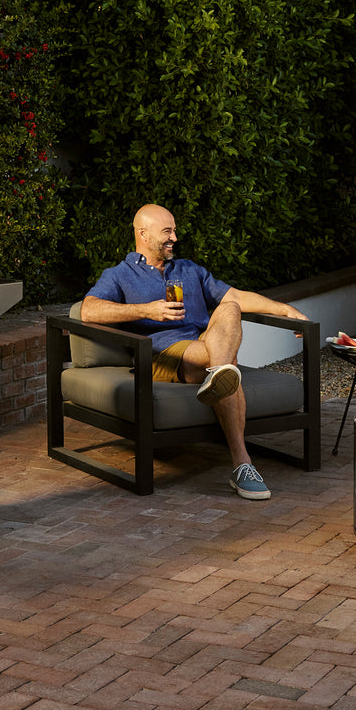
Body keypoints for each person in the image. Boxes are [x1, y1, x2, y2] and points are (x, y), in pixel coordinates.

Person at [80, 203, 309, 500]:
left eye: (174, 230)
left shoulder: (189, 269)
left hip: (202, 348)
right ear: (143, 234)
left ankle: (219, 376)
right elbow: (88, 309)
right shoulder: (120, 274)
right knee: (228, 362)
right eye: (167, 231)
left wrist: (285, 309)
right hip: (161, 354)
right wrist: (146, 310)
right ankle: (241, 460)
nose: (174, 237)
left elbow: (235, 296)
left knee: (229, 307)